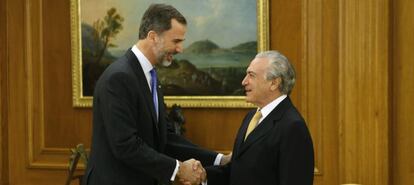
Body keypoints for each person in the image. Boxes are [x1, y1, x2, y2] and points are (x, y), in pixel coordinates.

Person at [83, 4, 230, 185]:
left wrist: (218, 160)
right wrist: (178, 170)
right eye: (176, 41)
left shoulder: (149, 76)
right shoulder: (119, 77)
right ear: (153, 37)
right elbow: (125, 146)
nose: (180, 49)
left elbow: (164, 138)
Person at [206, 51, 314, 185]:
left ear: (274, 83)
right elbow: (238, 170)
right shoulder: (251, 116)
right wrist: (203, 176)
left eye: (251, 75)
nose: (244, 81)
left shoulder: (292, 126)